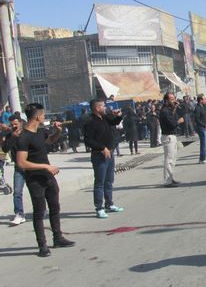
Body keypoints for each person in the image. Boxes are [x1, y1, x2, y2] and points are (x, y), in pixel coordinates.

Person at [16, 103, 75, 257]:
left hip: (48, 177)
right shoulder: (24, 137)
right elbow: (21, 163)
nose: (44, 117)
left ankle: (58, 238)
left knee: (55, 207)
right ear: (37, 116)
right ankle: (42, 245)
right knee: (39, 212)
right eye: (42, 114)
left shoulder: (40, 132)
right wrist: (46, 167)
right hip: (35, 180)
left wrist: (58, 131)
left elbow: (49, 141)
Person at [84, 99, 125, 218]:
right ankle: (99, 207)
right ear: (97, 108)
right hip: (99, 155)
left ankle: (109, 204)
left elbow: (115, 122)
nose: (105, 108)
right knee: (100, 182)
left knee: (109, 180)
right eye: (103, 106)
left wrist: (119, 116)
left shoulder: (105, 118)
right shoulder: (90, 121)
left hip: (110, 154)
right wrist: (102, 148)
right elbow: (88, 140)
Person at [2, 114, 27, 225]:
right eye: (12, 125)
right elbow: (5, 148)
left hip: (31, 165)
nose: (14, 126)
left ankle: (41, 209)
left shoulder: (28, 132)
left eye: (16, 124)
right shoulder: (10, 134)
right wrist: (13, 136)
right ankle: (19, 214)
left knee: (37, 190)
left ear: (21, 122)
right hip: (19, 166)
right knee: (17, 191)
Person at [159, 92, 184, 187]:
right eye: (172, 99)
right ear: (166, 100)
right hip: (168, 136)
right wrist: (179, 121)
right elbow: (172, 123)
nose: (174, 101)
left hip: (172, 136)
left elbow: (175, 116)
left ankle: (170, 178)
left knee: (172, 160)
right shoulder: (164, 111)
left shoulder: (170, 109)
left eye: (174, 98)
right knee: (169, 160)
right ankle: (167, 181)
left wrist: (175, 108)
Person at [194, 95, 206, 164]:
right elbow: (197, 119)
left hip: (204, 126)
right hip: (201, 127)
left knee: (205, 142)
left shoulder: (203, 106)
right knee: (203, 143)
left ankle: (203, 157)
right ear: (200, 100)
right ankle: (202, 159)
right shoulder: (197, 108)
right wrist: (204, 125)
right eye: (204, 99)